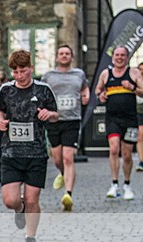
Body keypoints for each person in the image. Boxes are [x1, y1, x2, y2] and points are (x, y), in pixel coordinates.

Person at [0, 49, 58, 242]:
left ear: (31, 68)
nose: (20, 76)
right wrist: (0, 121)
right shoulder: (5, 90)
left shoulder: (43, 90)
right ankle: (19, 209)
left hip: (36, 153)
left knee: (32, 199)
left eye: (23, 71)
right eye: (15, 72)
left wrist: (50, 114)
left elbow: (56, 115)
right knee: (10, 200)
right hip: (11, 152)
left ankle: (30, 237)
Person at [95, 46, 143, 201]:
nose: (119, 58)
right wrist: (101, 95)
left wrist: (132, 88)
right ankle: (114, 183)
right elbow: (98, 90)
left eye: (122, 55)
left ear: (127, 57)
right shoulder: (106, 73)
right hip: (112, 118)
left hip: (130, 119)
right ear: (113, 57)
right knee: (113, 149)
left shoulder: (134, 73)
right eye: (117, 55)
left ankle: (127, 184)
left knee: (127, 155)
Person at [42, 44, 89, 211]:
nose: (64, 56)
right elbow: (41, 93)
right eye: (61, 53)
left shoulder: (79, 74)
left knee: (68, 157)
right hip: (53, 120)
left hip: (72, 120)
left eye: (67, 53)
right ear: (56, 57)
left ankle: (68, 194)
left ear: (71, 57)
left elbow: (84, 87)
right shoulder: (48, 76)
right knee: (57, 159)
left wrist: (86, 95)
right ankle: (62, 174)